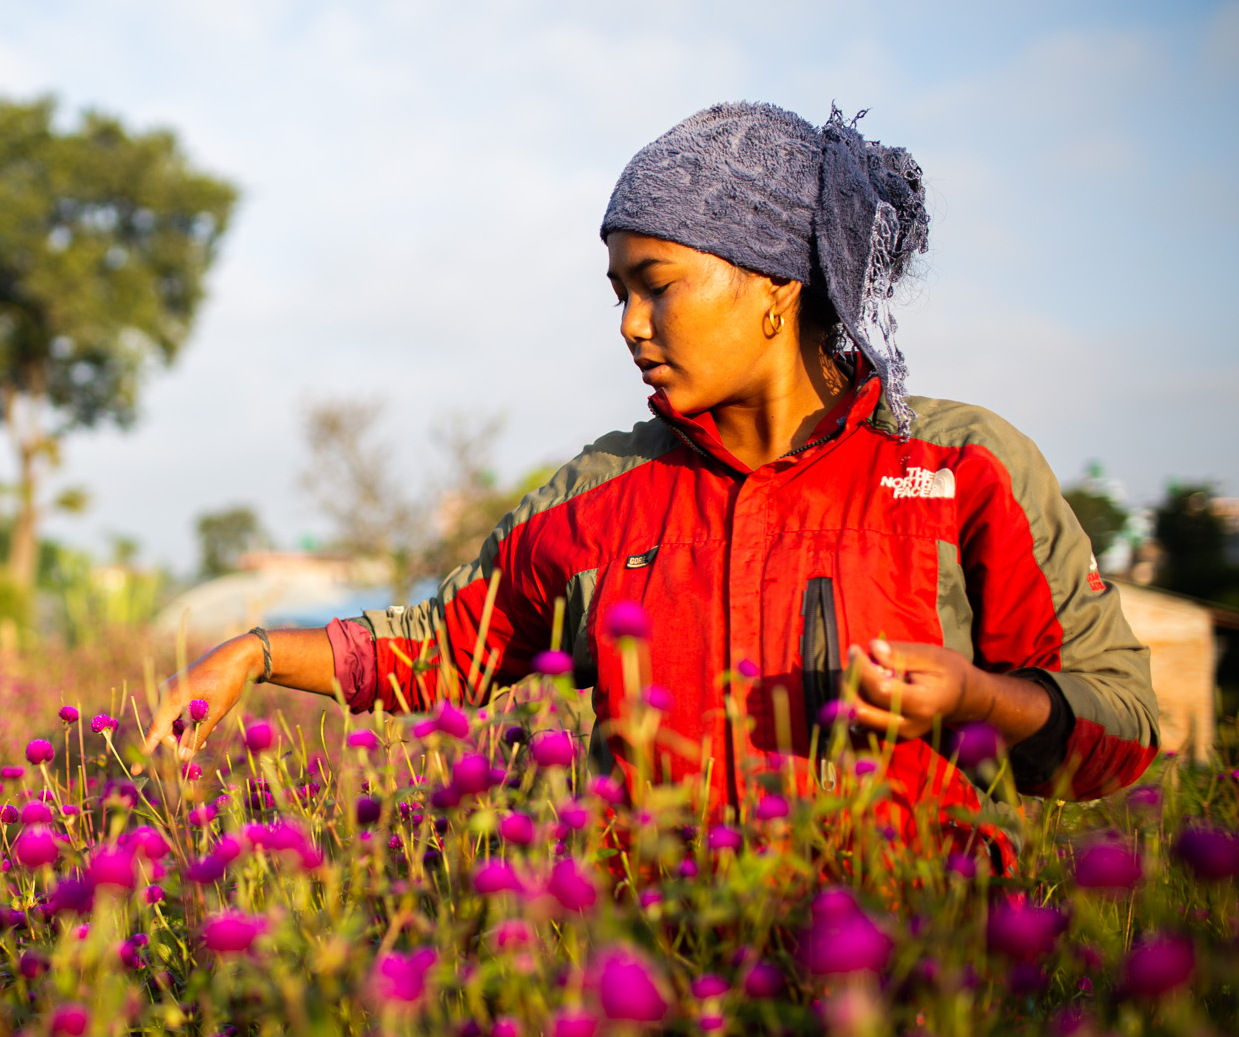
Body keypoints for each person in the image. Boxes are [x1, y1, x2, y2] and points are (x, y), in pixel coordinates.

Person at [145, 102, 1158, 843]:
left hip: (910, 1022)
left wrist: (979, 697)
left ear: (773, 286)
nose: (629, 323)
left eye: (654, 284)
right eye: (617, 291)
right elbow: (445, 645)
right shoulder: (600, 491)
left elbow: (1118, 731)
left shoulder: (959, 469)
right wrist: (255, 653)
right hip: (659, 1017)